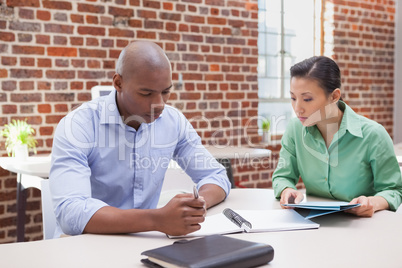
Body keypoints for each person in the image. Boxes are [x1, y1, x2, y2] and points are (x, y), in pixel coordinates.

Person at [49, 41, 231, 238]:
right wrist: (156, 219)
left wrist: (193, 207)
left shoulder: (173, 121)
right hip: (84, 245)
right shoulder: (78, 125)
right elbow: (71, 213)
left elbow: (217, 176)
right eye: (146, 93)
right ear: (118, 83)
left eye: (166, 92)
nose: (159, 104)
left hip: (145, 241)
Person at [272, 56, 402, 217]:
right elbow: (282, 176)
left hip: (363, 227)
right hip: (314, 224)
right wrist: (287, 189)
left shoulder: (373, 135)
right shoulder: (294, 129)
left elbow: (394, 190)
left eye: (307, 99)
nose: (297, 108)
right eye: (293, 98)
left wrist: (372, 203)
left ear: (334, 96)